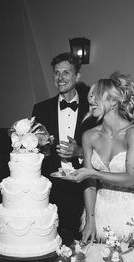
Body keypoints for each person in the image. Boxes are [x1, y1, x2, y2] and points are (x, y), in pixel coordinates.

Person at [66, 72, 134, 243]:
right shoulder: (89, 136)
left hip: (133, 211)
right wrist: (90, 220)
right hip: (101, 209)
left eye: (97, 96)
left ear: (114, 101)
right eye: (91, 96)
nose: (91, 100)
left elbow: (131, 179)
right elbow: (90, 184)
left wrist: (93, 174)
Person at [32, 52, 96, 245]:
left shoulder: (93, 109)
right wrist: (41, 145)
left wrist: (78, 152)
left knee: (82, 248)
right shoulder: (40, 109)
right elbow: (35, 151)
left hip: (84, 189)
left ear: (77, 76)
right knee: (50, 246)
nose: (60, 78)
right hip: (52, 191)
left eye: (66, 72)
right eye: (56, 73)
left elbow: (104, 151)